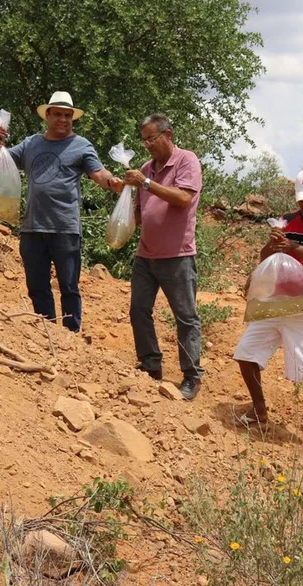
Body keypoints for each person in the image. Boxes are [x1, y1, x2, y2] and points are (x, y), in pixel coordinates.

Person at [233, 168, 303, 450]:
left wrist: (297, 248)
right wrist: (272, 245)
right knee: (246, 355)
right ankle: (259, 411)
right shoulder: (286, 220)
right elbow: (263, 258)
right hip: (276, 301)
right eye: (301, 199)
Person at [7, 91, 124, 332]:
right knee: (37, 285)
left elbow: (99, 173)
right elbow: (2, 159)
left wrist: (113, 182)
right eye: (58, 114)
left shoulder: (81, 145)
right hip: (32, 227)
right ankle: (47, 332)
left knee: (69, 286)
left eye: (68, 115)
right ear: (47, 115)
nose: (63, 119)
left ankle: (71, 338)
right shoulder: (30, 144)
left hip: (65, 228)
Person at [125, 114, 205, 400]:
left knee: (185, 316)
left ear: (167, 134)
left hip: (177, 255)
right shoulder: (147, 167)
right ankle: (150, 364)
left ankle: (192, 376)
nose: (147, 145)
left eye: (152, 139)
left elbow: (183, 198)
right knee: (138, 309)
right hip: (146, 253)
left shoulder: (186, 161)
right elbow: (139, 210)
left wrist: (145, 182)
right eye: (144, 140)